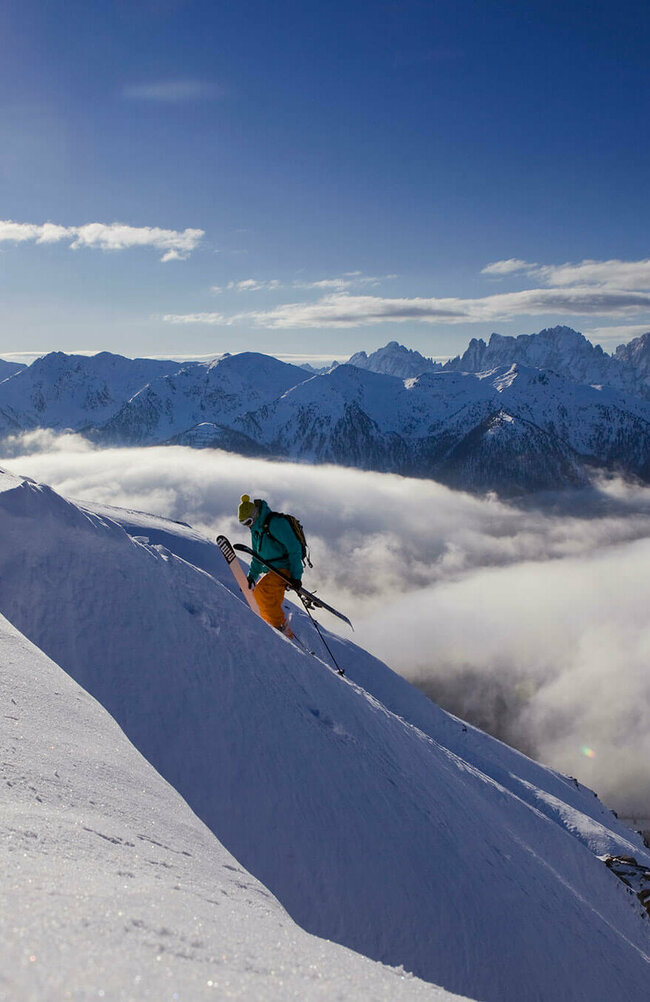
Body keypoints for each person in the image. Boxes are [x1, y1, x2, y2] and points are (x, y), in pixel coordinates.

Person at [238, 494, 303, 638]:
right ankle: (276, 631)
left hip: (285, 569)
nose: (247, 526)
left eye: (248, 521)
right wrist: (252, 577)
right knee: (267, 600)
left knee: (262, 594)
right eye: (243, 524)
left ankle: (280, 630)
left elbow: (295, 548)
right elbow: (257, 557)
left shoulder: (276, 524)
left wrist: (296, 577)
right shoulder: (256, 530)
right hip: (273, 571)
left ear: (254, 515)